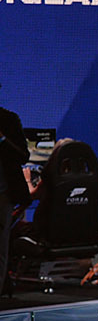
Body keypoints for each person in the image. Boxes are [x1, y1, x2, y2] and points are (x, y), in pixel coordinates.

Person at [0, 86, 29, 299]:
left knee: (1, 247)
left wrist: (2, 139)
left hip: (3, 195)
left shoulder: (9, 120)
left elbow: (22, 156)